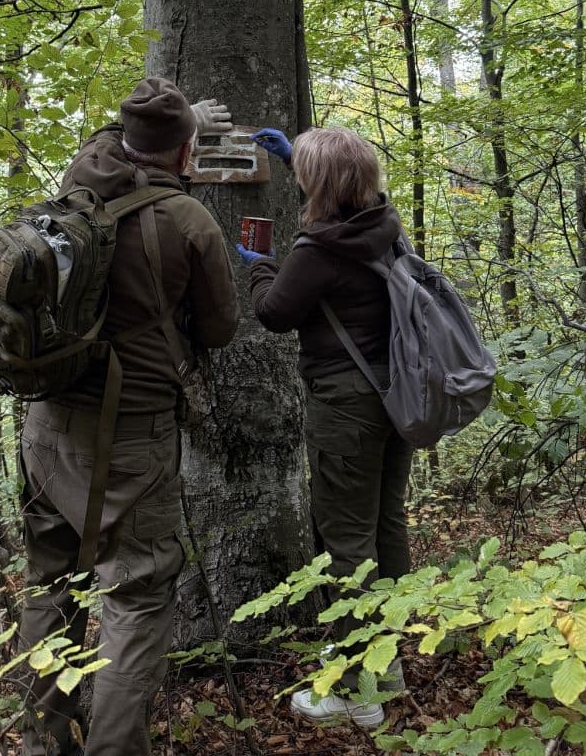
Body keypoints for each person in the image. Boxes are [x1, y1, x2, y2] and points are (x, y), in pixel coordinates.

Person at [19, 79, 239, 756]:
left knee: (49, 584)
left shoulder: (79, 183)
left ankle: (42, 740)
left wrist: (178, 124)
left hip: (48, 424)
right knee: (137, 598)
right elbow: (223, 327)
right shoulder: (186, 220)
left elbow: (106, 139)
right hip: (132, 432)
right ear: (185, 150)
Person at [237, 125, 413, 731]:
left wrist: (261, 266)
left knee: (346, 540)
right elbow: (339, 198)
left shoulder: (315, 251)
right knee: (386, 527)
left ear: (321, 184)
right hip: (397, 394)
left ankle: (357, 689)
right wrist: (297, 162)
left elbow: (274, 313)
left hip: (345, 404)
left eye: (307, 173)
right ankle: (387, 662)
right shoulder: (383, 227)